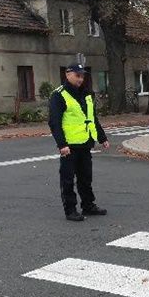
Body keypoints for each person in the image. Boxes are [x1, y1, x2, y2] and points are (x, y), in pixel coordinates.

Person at [48, 64, 110, 221]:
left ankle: (88, 205)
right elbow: (54, 122)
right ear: (67, 75)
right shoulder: (59, 95)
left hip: (85, 142)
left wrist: (102, 138)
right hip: (69, 145)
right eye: (77, 75)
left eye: (82, 76)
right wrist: (62, 145)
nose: (80, 79)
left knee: (85, 177)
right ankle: (70, 210)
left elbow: (92, 118)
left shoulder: (86, 94)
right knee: (68, 179)